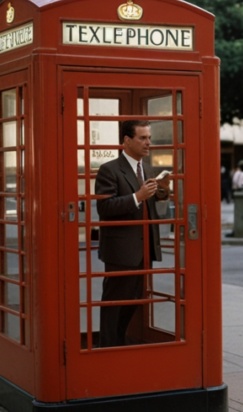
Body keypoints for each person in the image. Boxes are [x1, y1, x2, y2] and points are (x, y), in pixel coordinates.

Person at [95, 120, 170, 347]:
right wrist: (138, 196)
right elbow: (105, 207)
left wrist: (161, 192)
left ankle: (119, 339)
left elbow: (149, 205)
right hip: (120, 249)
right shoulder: (109, 170)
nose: (149, 143)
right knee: (114, 301)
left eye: (149, 137)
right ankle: (107, 344)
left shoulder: (146, 168)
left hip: (144, 246)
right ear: (127, 141)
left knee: (135, 299)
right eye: (143, 138)